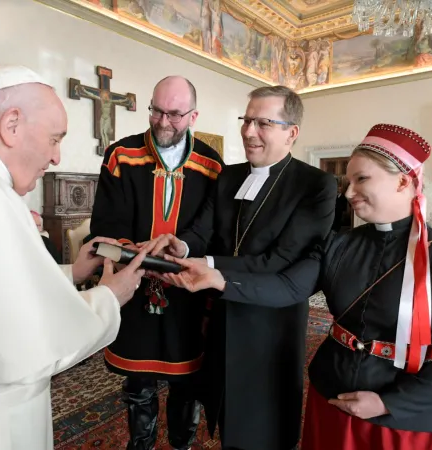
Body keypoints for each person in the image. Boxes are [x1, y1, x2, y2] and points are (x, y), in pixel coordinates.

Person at [159, 124, 432, 450]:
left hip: (409, 417)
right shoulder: (339, 245)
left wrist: (390, 404)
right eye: (348, 181)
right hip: (333, 398)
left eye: (362, 179)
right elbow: (288, 287)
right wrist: (219, 279)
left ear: (403, 180)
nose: (348, 192)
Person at [0, 64, 147, 450]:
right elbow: (22, 337)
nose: (57, 157)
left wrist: (71, 272)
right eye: (55, 139)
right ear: (11, 124)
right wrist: (109, 296)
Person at [140, 85, 337, 450]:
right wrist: (180, 244)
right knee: (226, 409)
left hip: (269, 323)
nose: (248, 132)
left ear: (291, 132)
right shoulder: (228, 176)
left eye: (263, 123)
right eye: (246, 120)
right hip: (219, 315)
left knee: (264, 421)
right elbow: (203, 230)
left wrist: (208, 263)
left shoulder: (316, 185)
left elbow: (282, 260)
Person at [89, 76, 224, 450]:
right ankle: (141, 445)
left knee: (187, 381)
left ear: (193, 115)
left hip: (186, 291)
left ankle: (181, 445)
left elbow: (213, 226)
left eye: (175, 114)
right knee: (138, 381)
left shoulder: (212, 165)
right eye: (157, 111)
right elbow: (105, 225)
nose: (164, 122)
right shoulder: (120, 155)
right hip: (131, 288)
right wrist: (135, 254)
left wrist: (183, 247)